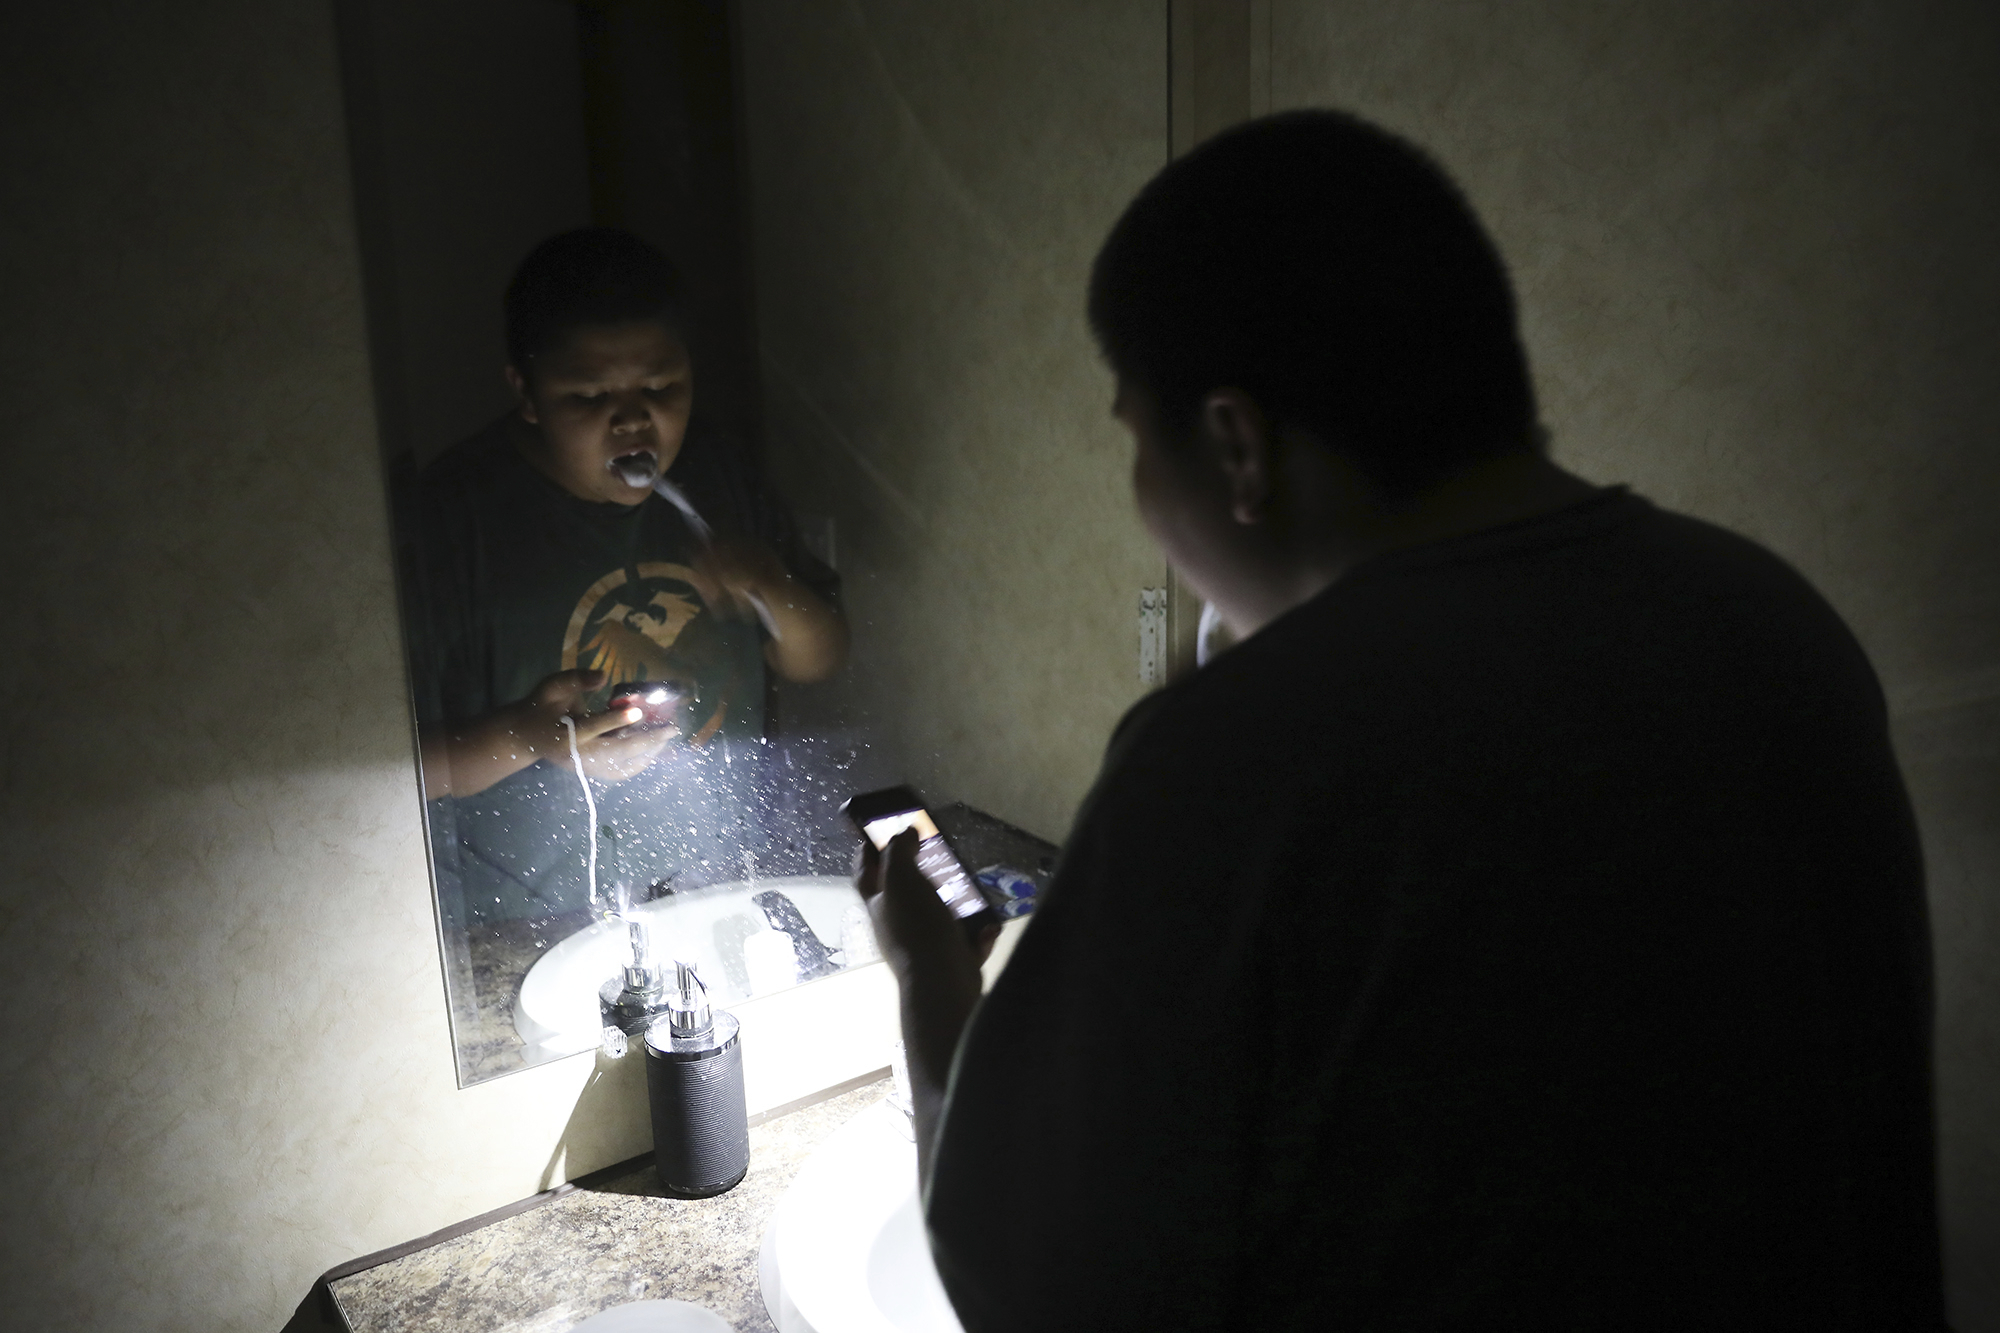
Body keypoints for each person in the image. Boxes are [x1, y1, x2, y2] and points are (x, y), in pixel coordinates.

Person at [860, 111, 1943, 1330]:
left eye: (1135, 444)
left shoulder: (1233, 760)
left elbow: (1032, 1289)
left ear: (1233, 441)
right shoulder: (1773, 622)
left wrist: (931, 979)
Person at [407, 228, 847, 923]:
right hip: (536, 915)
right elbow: (394, 766)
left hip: (722, 876)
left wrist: (774, 585)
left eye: (661, 387)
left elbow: (820, 657)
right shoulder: (453, 520)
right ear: (526, 392)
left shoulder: (717, 472)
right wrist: (532, 738)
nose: (633, 420)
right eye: (588, 397)